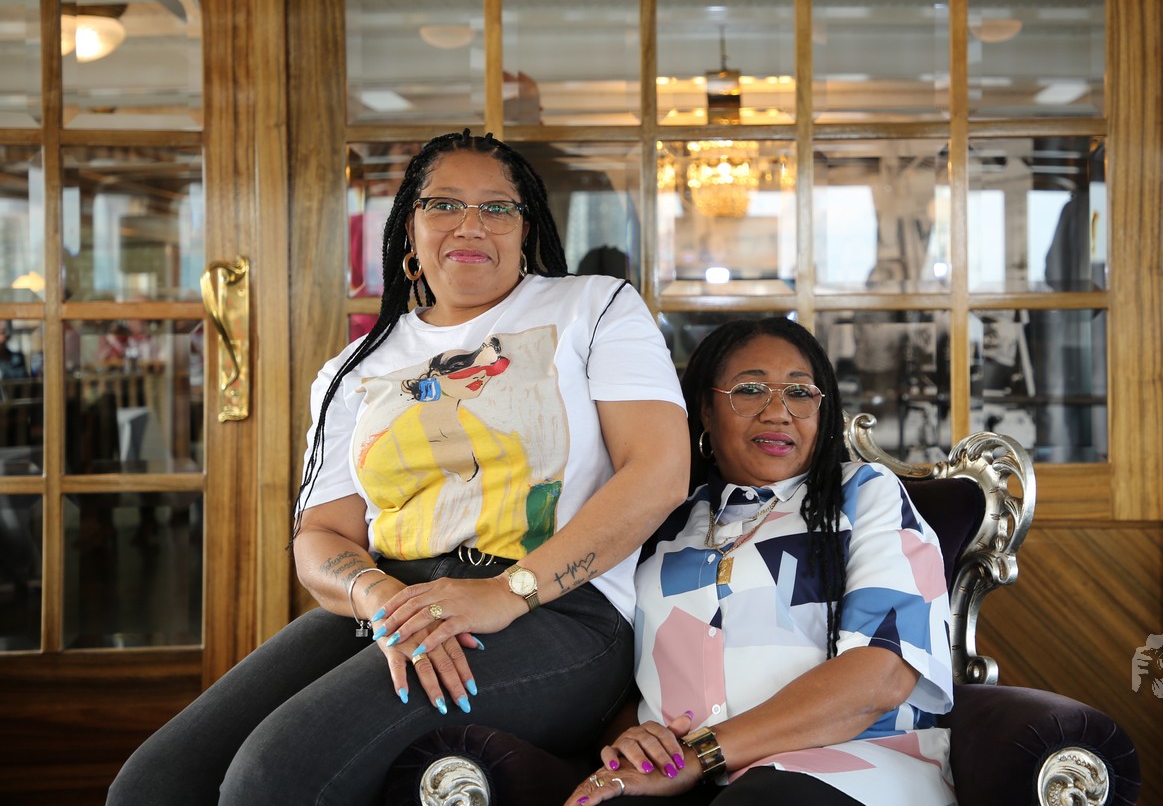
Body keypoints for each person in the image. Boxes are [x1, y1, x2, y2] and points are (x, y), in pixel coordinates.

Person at [108, 130, 689, 805]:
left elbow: (658, 473)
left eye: (497, 207)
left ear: (525, 229)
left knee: (273, 776)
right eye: (444, 204)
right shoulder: (352, 369)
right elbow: (320, 537)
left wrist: (506, 594)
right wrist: (379, 600)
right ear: (408, 230)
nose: (471, 224)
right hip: (393, 599)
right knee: (153, 784)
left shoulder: (595, 306)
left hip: (557, 609)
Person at [567, 317, 954, 806]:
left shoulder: (863, 495)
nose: (778, 412)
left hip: (850, 767)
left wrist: (701, 755)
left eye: (800, 393)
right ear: (706, 410)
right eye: (750, 390)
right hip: (681, 779)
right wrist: (632, 740)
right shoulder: (665, 522)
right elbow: (614, 674)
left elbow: (883, 674)